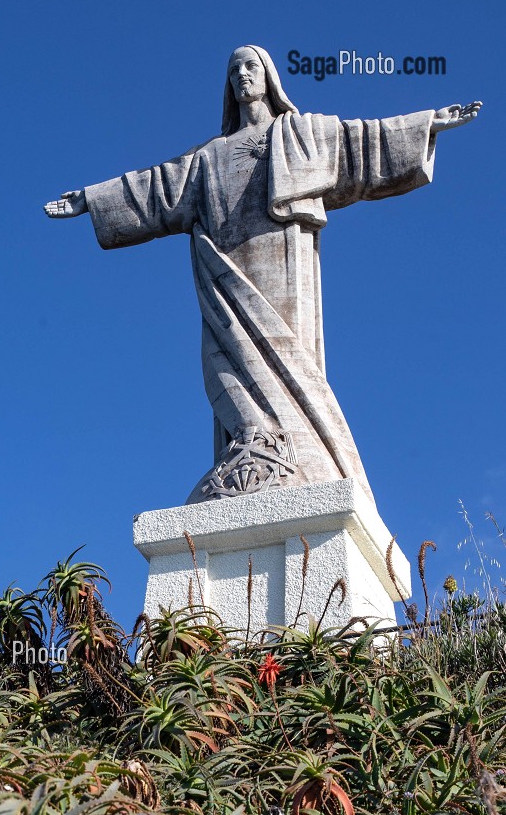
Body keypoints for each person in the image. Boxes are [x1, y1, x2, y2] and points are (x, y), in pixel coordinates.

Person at [44, 46, 481, 502]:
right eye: (233, 70)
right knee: (224, 363)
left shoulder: (300, 132)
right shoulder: (208, 157)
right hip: (223, 269)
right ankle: (252, 450)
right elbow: (156, 187)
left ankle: (297, 459)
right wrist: (92, 200)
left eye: (250, 66)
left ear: (269, 76)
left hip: (283, 265)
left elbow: (358, 141)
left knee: (288, 356)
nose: (241, 75)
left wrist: (426, 124)